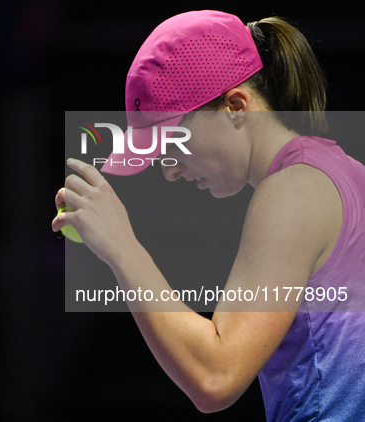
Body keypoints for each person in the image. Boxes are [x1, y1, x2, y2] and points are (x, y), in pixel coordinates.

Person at [52, 10, 365, 421]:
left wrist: (121, 247)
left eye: (174, 141)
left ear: (236, 106)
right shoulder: (346, 175)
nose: (169, 168)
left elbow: (216, 376)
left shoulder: (293, 192)